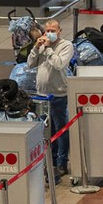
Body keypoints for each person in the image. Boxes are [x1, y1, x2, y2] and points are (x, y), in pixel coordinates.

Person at [27, 19, 74, 178]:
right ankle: (50, 163)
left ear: (60, 31)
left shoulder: (66, 46)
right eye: (47, 31)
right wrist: (35, 48)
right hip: (41, 95)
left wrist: (47, 49)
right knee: (47, 131)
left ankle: (61, 162)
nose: (50, 34)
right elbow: (30, 64)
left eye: (53, 31)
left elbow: (59, 64)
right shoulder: (41, 45)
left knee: (60, 129)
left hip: (59, 95)